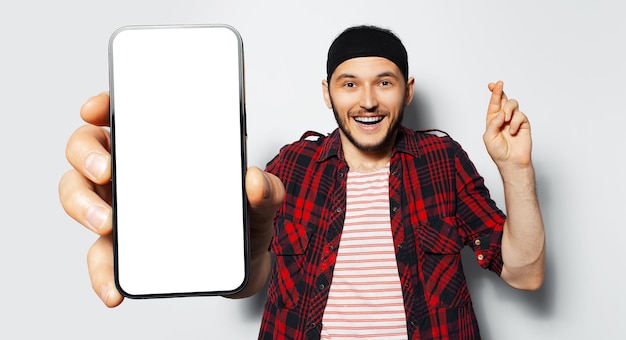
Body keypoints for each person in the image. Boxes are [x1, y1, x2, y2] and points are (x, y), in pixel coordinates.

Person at [59, 25, 545, 339]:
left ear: (408, 90)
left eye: (385, 81)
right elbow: (249, 279)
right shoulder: (290, 168)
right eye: (349, 83)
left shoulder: (442, 161)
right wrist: (159, 216)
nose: (368, 100)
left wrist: (515, 168)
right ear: (327, 92)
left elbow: (525, 273)